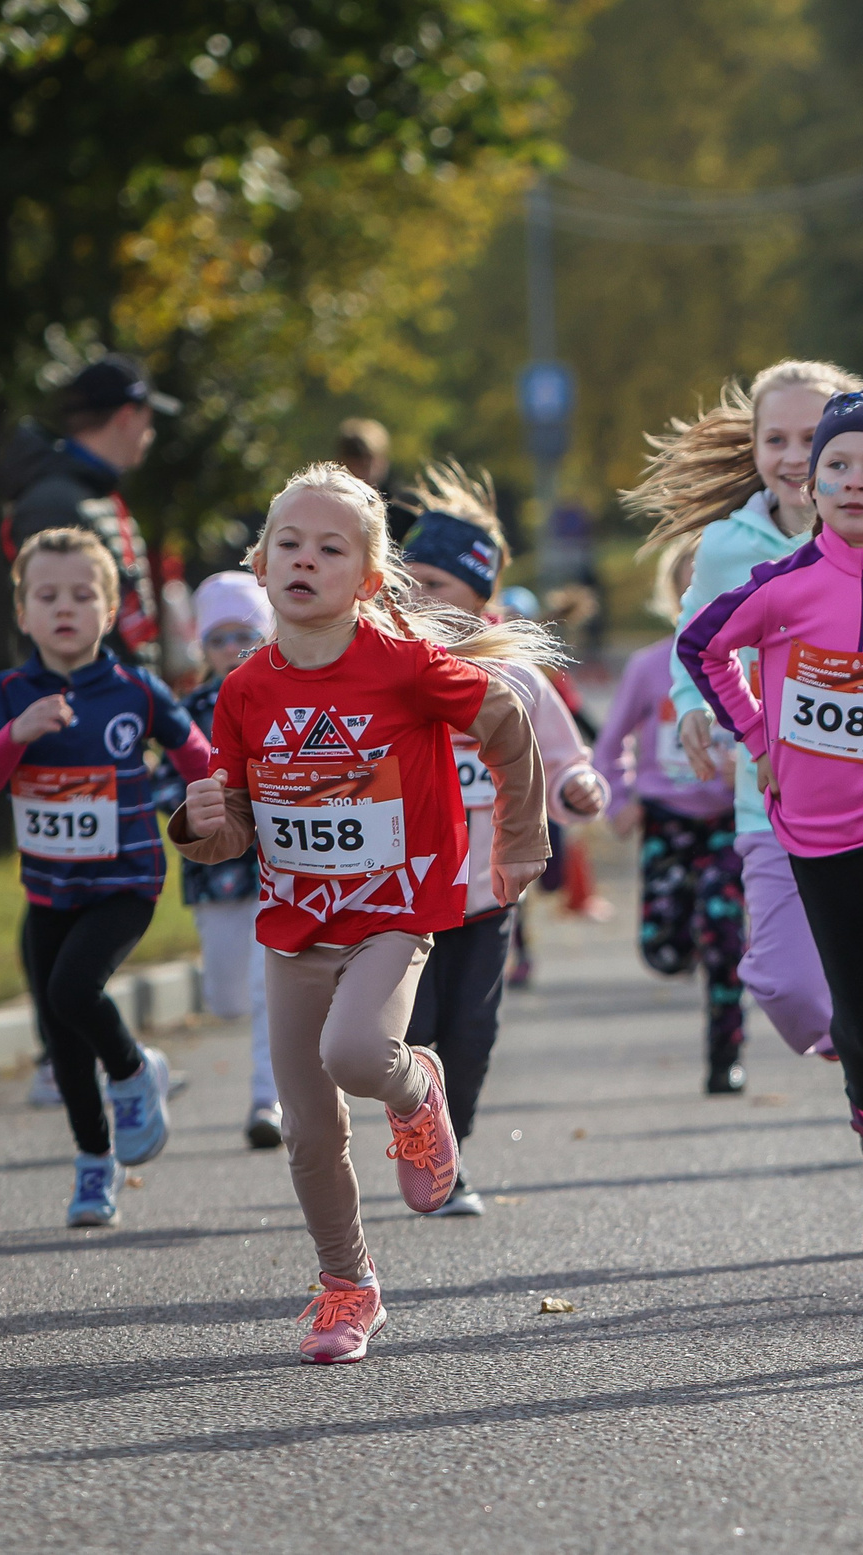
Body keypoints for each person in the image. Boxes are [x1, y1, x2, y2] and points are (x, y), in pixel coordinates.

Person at [166, 462, 555, 1362]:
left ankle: (418, 1086)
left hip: (392, 907)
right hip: (296, 922)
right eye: (289, 545)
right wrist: (199, 824)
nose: (306, 560)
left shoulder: (404, 665)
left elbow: (503, 719)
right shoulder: (245, 690)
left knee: (355, 1053)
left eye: (330, 548)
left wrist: (522, 837)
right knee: (308, 1130)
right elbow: (234, 832)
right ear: (261, 565)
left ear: (369, 580)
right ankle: (348, 1287)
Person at [685, 385, 863, 1253]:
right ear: (813, 483)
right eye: (835, 463)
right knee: (860, 1019)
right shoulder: (782, 585)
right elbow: (701, 648)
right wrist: (759, 732)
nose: (851, 479)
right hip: (812, 827)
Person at [0, 527, 206, 1226]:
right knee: (60, 1031)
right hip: (48, 889)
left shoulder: (136, 688)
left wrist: (218, 801)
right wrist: (19, 734)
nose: (64, 607)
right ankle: (95, 1164)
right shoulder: (10, 692)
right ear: (22, 613)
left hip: (126, 884)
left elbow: (199, 756)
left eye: (82, 594)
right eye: (47, 595)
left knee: (75, 987)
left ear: (109, 609)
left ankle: (130, 1071)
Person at [622, 361, 858, 1061]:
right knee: (788, 989)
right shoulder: (728, 547)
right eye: (775, 439)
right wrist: (693, 703)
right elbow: (694, 638)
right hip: (773, 800)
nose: (792, 458)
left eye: (812, 438)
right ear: (753, 446)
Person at [397, 464, 609, 1215]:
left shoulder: (515, 676)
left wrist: (580, 790)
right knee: (411, 1033)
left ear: (479, 596)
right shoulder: (382, 674)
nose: (416, 598)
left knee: (472, 1032)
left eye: (435, 585)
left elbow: (565, 757)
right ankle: (422, 1142)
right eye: (406, 582)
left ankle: (453, 1153)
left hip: (487, 894)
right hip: (399, 895)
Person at [595, 537, 750, 1094]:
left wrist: (756, 771)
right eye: (691, 585)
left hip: (731, 821)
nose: (702, 596)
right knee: (664, 949)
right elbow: (608, 746)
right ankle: (684, 943)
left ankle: (725, 1054)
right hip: (666, 819)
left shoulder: (752, 662)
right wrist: (619, 800)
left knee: (722, 923)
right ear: (674, 594)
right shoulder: (648, 667)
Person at [181, 571, 284, 1148]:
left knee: (268, 988)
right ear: (203, 646)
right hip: (215, 872)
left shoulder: (284, 697)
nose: (230, 651)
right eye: (218, 639)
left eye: (243, 638)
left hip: (277, 867)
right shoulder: (188, 710)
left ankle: (269, 1100)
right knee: (226, 998)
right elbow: (165, 783)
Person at [3, 355, 174, 667]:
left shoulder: (92, 494)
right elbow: (56, 634)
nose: (150, 434)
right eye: (148, 421)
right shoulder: (56, 503)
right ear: (126, 417)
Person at [334, 417, 415, 543]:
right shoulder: (328, 506)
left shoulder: (406, 510)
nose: (359, 466)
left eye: (367, 458)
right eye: (351, 457)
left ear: (383, 460)